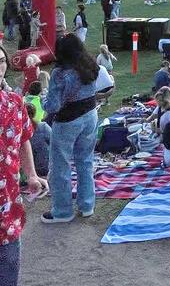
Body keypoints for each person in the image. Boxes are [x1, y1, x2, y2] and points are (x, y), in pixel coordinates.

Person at [0, 44, 46, 286]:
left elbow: (24, 139)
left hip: (7, 196)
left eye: (1, 61)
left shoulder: (14, 102)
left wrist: (32, 175)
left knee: (9, 260)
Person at [41, 33, 99, 223]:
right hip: (91, 116)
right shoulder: (89, 66)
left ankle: (62, 212)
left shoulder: (59, 73)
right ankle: (87, 204)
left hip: (68, 122)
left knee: (60, 167)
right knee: (85, 161)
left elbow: (53, 107)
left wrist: (43, 99)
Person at [25, 102, 51, 177]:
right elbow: (55, 143)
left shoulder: (16, 130)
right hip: (44, 167)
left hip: (27, 171)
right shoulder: (43, 127)